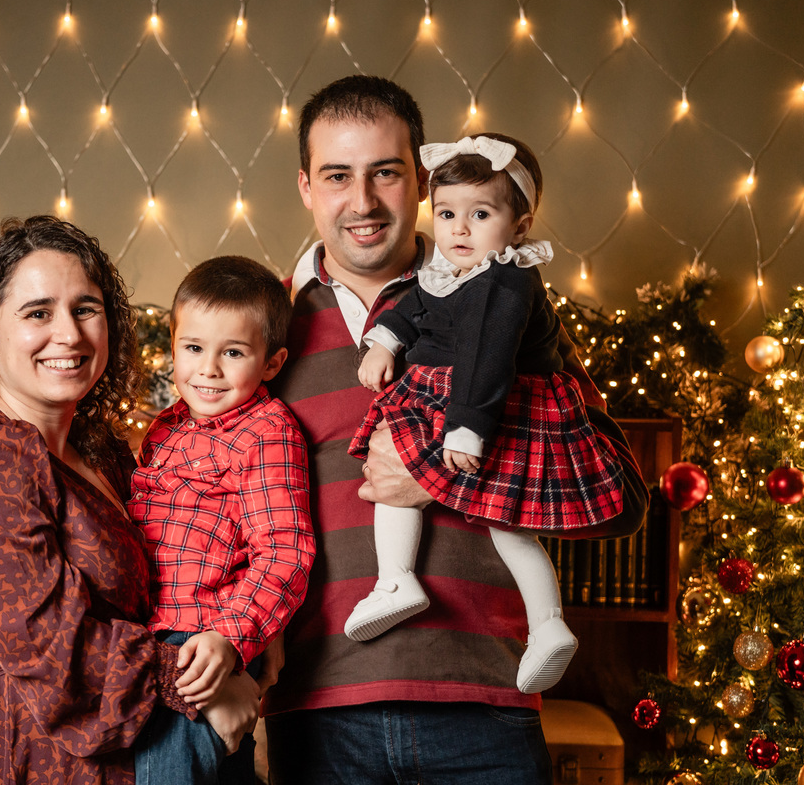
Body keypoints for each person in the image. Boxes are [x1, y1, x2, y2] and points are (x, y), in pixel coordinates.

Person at [263, 75, 649, 784]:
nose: (362, 201)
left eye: (386, 172)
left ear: (421, 181)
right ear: (306, 188)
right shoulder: (261, 331)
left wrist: (436, 470)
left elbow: (619, 497)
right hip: (318, 716)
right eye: (337, 175)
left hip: (485, 707)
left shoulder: (507, 303)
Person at [0, 215, 260, 785]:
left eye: (85, 309)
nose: (69, 334)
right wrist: (202, 686)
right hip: (50, 766)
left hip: (159, 756)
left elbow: (199, 563)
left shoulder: (103, 454)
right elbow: (50, 647)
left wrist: (245, 641)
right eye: (38, 313)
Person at [342, 133, 625, 698]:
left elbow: (486, 359)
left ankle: (526, 620)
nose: (460, 230)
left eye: (481, 214)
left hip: (486, 407)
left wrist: (466, 427)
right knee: (468, 512)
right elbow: (414, 309)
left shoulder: (504, 281)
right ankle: (528, 620)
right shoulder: (449, 271)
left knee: (488, 518)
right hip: (451, 399)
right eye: (447, 214)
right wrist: (384, 343)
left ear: (519, 226)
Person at [129, 255, 315, 784]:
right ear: (173, 346)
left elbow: (285, 552)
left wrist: (231, 639)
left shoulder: (267, 432)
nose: (208, 369)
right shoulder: (165, 429)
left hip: (204, 639)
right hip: (148, 643)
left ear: (272, 363)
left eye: (232, 352)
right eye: (193, 348)